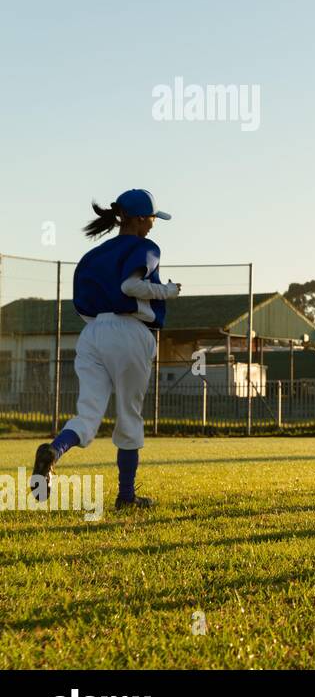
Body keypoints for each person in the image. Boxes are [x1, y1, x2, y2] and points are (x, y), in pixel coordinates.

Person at [30, 189, 182, 509]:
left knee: (88, 414)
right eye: (152, 218)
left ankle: (54, 451)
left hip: (92, 331)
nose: (153, 224)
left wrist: (102, 325)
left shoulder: (94, 255)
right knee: (128, 415)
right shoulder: (146, 246)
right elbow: (130, 286)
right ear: (140, 219)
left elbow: (83, 305)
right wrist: (166, 290)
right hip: (130, 331)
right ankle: (126, 496)